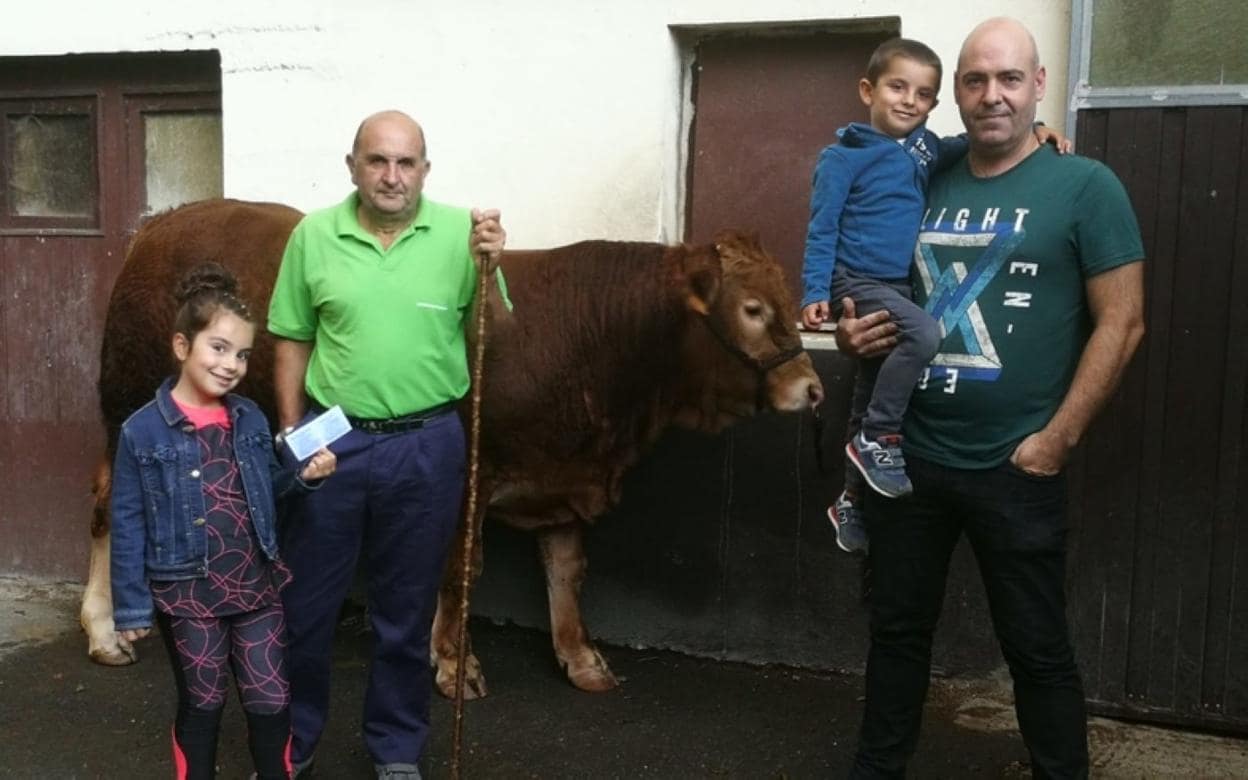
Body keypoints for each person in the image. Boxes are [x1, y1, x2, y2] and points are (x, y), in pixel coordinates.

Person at [835, 18, 1146, 778]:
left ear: (1039, 86)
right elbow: (870, 278)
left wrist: (1059, 439)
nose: (991, 95)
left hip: (1018, 465)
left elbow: (1124, 321)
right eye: (974, 80)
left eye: (1009, 78)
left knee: (1037, 649)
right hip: (906, 460)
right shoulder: (922, 175)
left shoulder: (1085, 186)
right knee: (897, 635)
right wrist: (852, 335)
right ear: (957, 96)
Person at [267, 109, 508, 779]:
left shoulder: (464, 233)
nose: (392, 176)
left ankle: (396, 749)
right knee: (305, 607)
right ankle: (292, 741)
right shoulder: (313, 235)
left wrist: (491, 268)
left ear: (425, 170)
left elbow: (494, 335)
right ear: (352, 166)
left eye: (406, 163)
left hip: (428, 444)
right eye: (377, 161)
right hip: (333, 441)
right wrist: (291, 435)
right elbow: (291, 336)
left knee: (404, 614)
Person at [799, 37, 1069, 555]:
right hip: (855, 280)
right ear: (867, 89)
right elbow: (821, 227)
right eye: (897, 87)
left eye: (922, 94)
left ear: (933, 105)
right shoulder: (843, 157)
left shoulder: (924, 148)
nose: (908, 101)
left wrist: (1036, 129)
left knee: (871, 381)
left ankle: (850, 499)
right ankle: (879, 438)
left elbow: (973, 141)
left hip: (895, 285)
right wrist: (815, 292)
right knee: (925, 333)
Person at [109, 263, 337, 780]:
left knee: (270, 699)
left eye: (242, 354)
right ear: (182, 346)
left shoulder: (251, 418)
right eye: (218, 347)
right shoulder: (141, 432)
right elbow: (126, 522)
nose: (231, 364)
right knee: (204, 702)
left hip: (256, 588)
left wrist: (305, 478)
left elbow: (270, 494)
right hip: (188, 595)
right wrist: (130, 608)